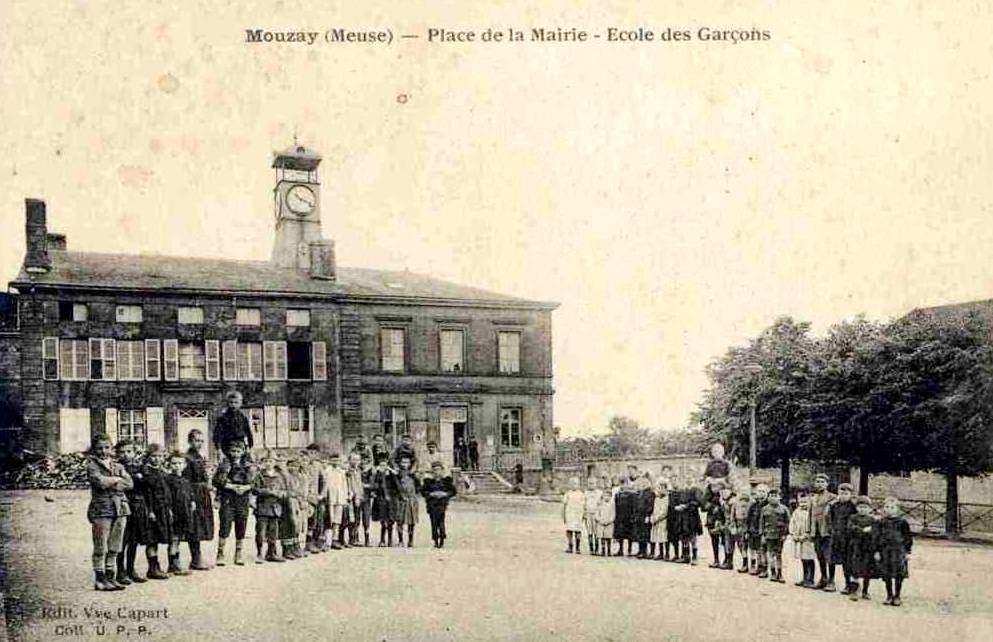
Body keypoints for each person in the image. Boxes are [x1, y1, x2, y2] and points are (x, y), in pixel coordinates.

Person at [87, 435, 132, 591]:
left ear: (111, 449)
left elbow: (129, 483)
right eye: (100, 448)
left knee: (115, 545)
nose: (103, 451)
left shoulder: (117, 465)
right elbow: (99, 482)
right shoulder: (92, 466)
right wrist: (116, 479)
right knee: (101, 546)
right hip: (102, 509)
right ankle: (100, 580)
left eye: (107, 447)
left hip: (120, 509)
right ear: (94, 450)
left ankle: (110, 577)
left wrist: (112, 481)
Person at [213, 440, 255, 566]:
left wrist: (246, 488)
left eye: (238, 451)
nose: (235, 454)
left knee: (241, 525)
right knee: (225, 525)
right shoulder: (224, 465)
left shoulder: (247, 466)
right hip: (228, 499)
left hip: (242, 499)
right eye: (233, 451)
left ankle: (238, 553)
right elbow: (216, 481)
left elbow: (255, 482)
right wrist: (230, 486)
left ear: (243, 452)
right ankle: (220, 553)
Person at [116, 439, 148, 585]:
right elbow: (121, 484)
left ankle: (131, 569)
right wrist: (136, 479)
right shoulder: (115, 468)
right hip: (122, 506)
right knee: (122, 539)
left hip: (138, 506)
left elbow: (146, 483)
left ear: (135, 453)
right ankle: (120, 571)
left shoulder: (140, 467)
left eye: (129, 451)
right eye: (122, 452)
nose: (126, 455)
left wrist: (138, 478)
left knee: (134, 539)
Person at [140, 443, 173, 580]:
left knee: (159, 537)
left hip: (163, 508)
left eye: (159, 456)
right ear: (148, 457)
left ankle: (158, 566)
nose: (157, 459)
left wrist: (169, 508)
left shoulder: (162, 471)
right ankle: (152, 567)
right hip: (152, 508)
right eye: (153, 456)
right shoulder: (146, 472)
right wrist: (150, 510)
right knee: (151, 538)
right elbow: (146, 494)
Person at [182, 429, 213, 571]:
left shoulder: (200, 457)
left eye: (201, 441)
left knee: (201, 526)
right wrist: (192, 498)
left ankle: (197, 558)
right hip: (194, 495)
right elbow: (186, 481)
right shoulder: (187, 458)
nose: (199, 443)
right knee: (194, 527)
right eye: (196, 440)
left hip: (202, 495)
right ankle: (196, 559)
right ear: (190, 441)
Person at [253, 453, 288, 563]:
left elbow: (285, 491)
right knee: (260, 532)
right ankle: (259, 553)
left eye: (271, 461)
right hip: (263, 507)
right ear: (263, 463)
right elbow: (254, 489)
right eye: (266, 461)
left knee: (274, 532)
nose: (268, 463)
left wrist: (280, 493)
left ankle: (271, 553)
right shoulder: (259, 475)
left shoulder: (279, 476)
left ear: (275, 462)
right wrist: (267, 491)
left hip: (275, 508)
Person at [878, 497, 912, 607]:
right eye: (887, 507)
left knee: (899, 573)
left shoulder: (902, 522)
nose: (889, 509)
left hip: (898, 551)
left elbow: (908, 538)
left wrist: (907, 551)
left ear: (897, 509)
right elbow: (877, 537)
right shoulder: (881, 522)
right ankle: (889, 595)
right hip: (885, 550)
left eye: (892, 507)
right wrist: (877, 551)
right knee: (886, 573)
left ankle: (897, 596)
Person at [165, 452, 195, 576]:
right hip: (174, 512)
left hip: (184, 512)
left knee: (178, 538)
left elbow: (190, 493)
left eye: (179, 463)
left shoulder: (185, 480)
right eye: (174, 463)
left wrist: (193, 501)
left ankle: (176, 563)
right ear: (169, 465)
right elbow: (166, 497)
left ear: (184, 465)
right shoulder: (168, 480)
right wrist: (169, 509)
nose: (177, 466)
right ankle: (173, 564)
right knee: (174, 538)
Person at [827, 482, 858, 594]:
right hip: (835, 536)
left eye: (846, 493)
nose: (843, 495)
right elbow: (829, 518)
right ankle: (831, 581)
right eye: (841, 493)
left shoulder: (853, 507)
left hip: (847, 538)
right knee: (831, 560)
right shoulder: (834, 505)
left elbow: (854, 521)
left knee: (847, 561)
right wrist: (831, 528)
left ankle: (848, 584)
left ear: (850, 495)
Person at [847, 496, 879, 601]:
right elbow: (851, 528)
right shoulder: (853, 518)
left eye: (865, 507)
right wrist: (863, 530)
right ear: (856, 508)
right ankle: (854, 591)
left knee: (867, 570)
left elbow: (875, 533)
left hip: (867, 548)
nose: (862, 509)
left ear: (869, 509)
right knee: (854, 569)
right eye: (860, 507)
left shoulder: (872, 520)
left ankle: (865, 591)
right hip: (855, 547)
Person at [421, 460, 458, 548]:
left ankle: (442, 538)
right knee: (433, 522)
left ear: (442, 470)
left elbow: (453, 491)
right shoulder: (428, 481)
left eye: (439, 470)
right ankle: (435, 540)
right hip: (432, 504)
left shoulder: (446, 481)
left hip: (441, 504)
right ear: (432, 471)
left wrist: (445, 494)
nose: (437, 472)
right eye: (435, 470)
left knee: (441, 522)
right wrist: (430, 494)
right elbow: (423, 491)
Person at [809, 473, 836, 589]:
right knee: (819, 555)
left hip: (827, 531)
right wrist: (809, 530)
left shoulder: (832, 497)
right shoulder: (813, 498)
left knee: (828, 556)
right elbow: (810, 515)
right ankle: (823, 578)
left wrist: (831, 504)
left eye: (822, 482)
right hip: (816, 531)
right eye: (818, 482)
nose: (819, 484)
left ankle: (831, 581)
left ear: (827, 484)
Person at [760, 488, 790, 583]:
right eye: (771, 496)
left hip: (779, 535)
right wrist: (762, 535)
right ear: (768, 498)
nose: (773, 498)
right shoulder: (764, 509)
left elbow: (788, 522)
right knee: (770, 554)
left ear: (779, 497)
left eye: (775, 496)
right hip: (768, 535)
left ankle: (780, 574)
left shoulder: (784, 509)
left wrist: (785, 534)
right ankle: (772, 573)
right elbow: (761, 523)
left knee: (779, 555)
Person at [213, 390, 253, 457]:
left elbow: (248, 433)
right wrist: (218, 449)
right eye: (231, 402)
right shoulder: (222, 418)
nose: (233, 405)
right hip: (227, 446)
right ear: (227, 403)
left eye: (236, 402)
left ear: (240, 403)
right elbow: (217, 435)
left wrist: (250, 447)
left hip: (241, 446)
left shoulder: (243, 418)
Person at [789, 492, 816, 587]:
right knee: (803, 559)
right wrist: (793, 534)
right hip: (799, 539)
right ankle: (805, 578)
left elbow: (812, 525)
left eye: (805, 502)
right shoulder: (796, 512)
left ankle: (811, 579)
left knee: (810, 559)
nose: (803, 504)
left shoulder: (811, 512)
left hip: (808, 539)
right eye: (801, 502)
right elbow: (792, 523)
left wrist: (806, 535)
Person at [323, 452, 350, 550]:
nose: (335, 462)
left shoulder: (341, 472)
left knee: (337, 521)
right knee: (330, 519)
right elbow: (325, 485)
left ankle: (335, 539)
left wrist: (345, 497)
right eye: (333, 460)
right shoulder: (327, 471)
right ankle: (328, 541)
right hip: (330, 498)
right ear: (330, 461)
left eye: (337, 460)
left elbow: (344, 486)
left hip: (340, 498)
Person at [371, 455, 399, 547]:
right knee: (383, 520)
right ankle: (382, 540)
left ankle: (390, 540)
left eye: (385, 464)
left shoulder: (391, 474)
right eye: (381, 465)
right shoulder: (376, 474)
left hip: (390, 498)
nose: (383, 466)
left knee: (391, 520)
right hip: (380, 498)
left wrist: (392, 472)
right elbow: (373, 485)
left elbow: (397, 486)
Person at [395, 454, 421, 546]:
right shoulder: (397, 474)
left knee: (411, 521)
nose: (405, 464)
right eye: (403, 462)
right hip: (401, 499)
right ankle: (400, 540)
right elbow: (395, 487)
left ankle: (410, 540)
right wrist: (401, 495)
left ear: (410, 463)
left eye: (407, 462)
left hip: (411, 499)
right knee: (399, 521)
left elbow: (419, 487)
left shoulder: (413, 475)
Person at [746, 483, 769, 576]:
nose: (761, 493)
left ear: (767, 493)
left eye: (763, 491)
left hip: (762, 531)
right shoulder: (753, 505)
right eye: (759, 491)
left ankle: (764, 568)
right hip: (752, 530)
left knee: (762, 550)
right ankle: (754, 566)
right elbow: (748, 519)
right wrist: (748, 530)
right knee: (753, 549)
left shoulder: (767, 505)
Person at [704, 480, 728, 568]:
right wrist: (712, 506)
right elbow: (704, 505)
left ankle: (727, 560)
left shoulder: (725, 492)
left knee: (725, 540)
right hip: (711, 519)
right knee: (714, 540)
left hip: (722, 518)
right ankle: (716, 559)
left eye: (716, 486)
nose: (714, 488)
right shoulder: (708, 491)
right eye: (713, 486)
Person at [728, 485, 751, 572]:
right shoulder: (735, 503)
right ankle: (744, 563)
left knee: (748, 546)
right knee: (741, 545)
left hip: (747, 526)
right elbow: (732, 516)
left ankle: (751, 564)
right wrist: (733, 526)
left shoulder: (751, 503)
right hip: (739, 526)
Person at [562, 477, 585, 554]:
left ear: (579, 485)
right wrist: (564, 516)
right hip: (570, 514)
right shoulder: (568, 494)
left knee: (578, 531)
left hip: (578, 515)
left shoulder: (581, 494)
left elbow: (584, 506)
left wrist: (583, 515)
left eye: (575, 483)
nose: (574, 485)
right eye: (572, 484)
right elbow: (564, 505)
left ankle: (578, 547)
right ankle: (570, 545)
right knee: (569, 530)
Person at [649, 480, 669, 560]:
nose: (660, 490)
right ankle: (660, 553)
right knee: (657, 536)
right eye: (659, 488)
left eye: (662, 488)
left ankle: (666, 554)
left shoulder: (666, 499)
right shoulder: (656, 499)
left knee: (664, 537)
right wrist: (653, 518)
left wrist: (658, 518)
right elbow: (655, 509)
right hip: (656, 519)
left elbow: (665, 511)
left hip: (663, 520)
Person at [582, 477, 603, 555]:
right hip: (588, 514)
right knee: (589, 532)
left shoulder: (599, 493)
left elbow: (601, 504)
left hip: (596, 515)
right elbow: (583, 504)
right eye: (589, 483)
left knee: (597, 532)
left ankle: (597, 549)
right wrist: (584, 514)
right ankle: (591, 548)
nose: (591, 485)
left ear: (596, 484)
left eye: (593, 483)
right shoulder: (585, 493)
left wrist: (600, 514)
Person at [596, 485, 616, 557]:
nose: (607, 497)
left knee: (608, 537)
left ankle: (609, 550)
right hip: (601, 523)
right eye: (605, 496)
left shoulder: (612, 505)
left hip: (609, 524)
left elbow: (613, 514)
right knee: (602, 537)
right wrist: (600, 520)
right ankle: (603, 550)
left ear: (611, 497)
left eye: (608, 496)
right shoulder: (600, 504)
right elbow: (597, 513)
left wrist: (609, 521)